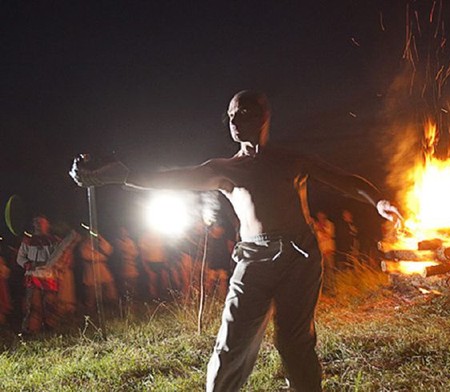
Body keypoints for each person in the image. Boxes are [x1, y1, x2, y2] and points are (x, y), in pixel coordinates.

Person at [70, 90, 400, 392]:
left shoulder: (292, 160)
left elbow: (343, 180)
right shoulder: (226, 168)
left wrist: (378, 200)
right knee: (232, 342)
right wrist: (122, 175)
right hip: (254, 258)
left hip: (299, 256)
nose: (233, 120)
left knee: (293, 340)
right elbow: (174, 179)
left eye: (241, 112)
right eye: (230, 115)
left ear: (263, 115)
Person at [16, 215, 61, 333]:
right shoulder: (27, 241)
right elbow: (20, 258)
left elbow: (59, 257)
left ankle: (50, 327)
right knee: (31, 304)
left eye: (41, 222)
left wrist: (55, 266)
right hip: (32, 275)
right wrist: (27, 264)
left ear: (47, 224)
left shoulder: (54, 240)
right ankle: (30, 329)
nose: (39, 225)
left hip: (48, 276)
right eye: (36, 223)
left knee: (49, 303)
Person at [79, 232, 118, 310]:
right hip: (91, 276)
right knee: (91, 298)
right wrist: (102, 257)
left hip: (103, 273)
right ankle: (90, 313)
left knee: (111, 292)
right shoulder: (84, 246)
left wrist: (100, 238)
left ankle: (112, 309)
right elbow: (87, 256)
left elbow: (109, 249)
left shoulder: (98, 244)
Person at [115, 227, 140, 301]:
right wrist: (128, 252)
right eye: (121, 232)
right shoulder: (117, 242)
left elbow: (135, 252)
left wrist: (129, 253)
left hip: (132, 266)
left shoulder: (130, 241)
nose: (123, 233)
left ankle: (134, 299)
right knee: (124, 285)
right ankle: (125, 300)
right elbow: (121, 252)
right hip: (123, 267)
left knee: (133, 284)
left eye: (125, 232)